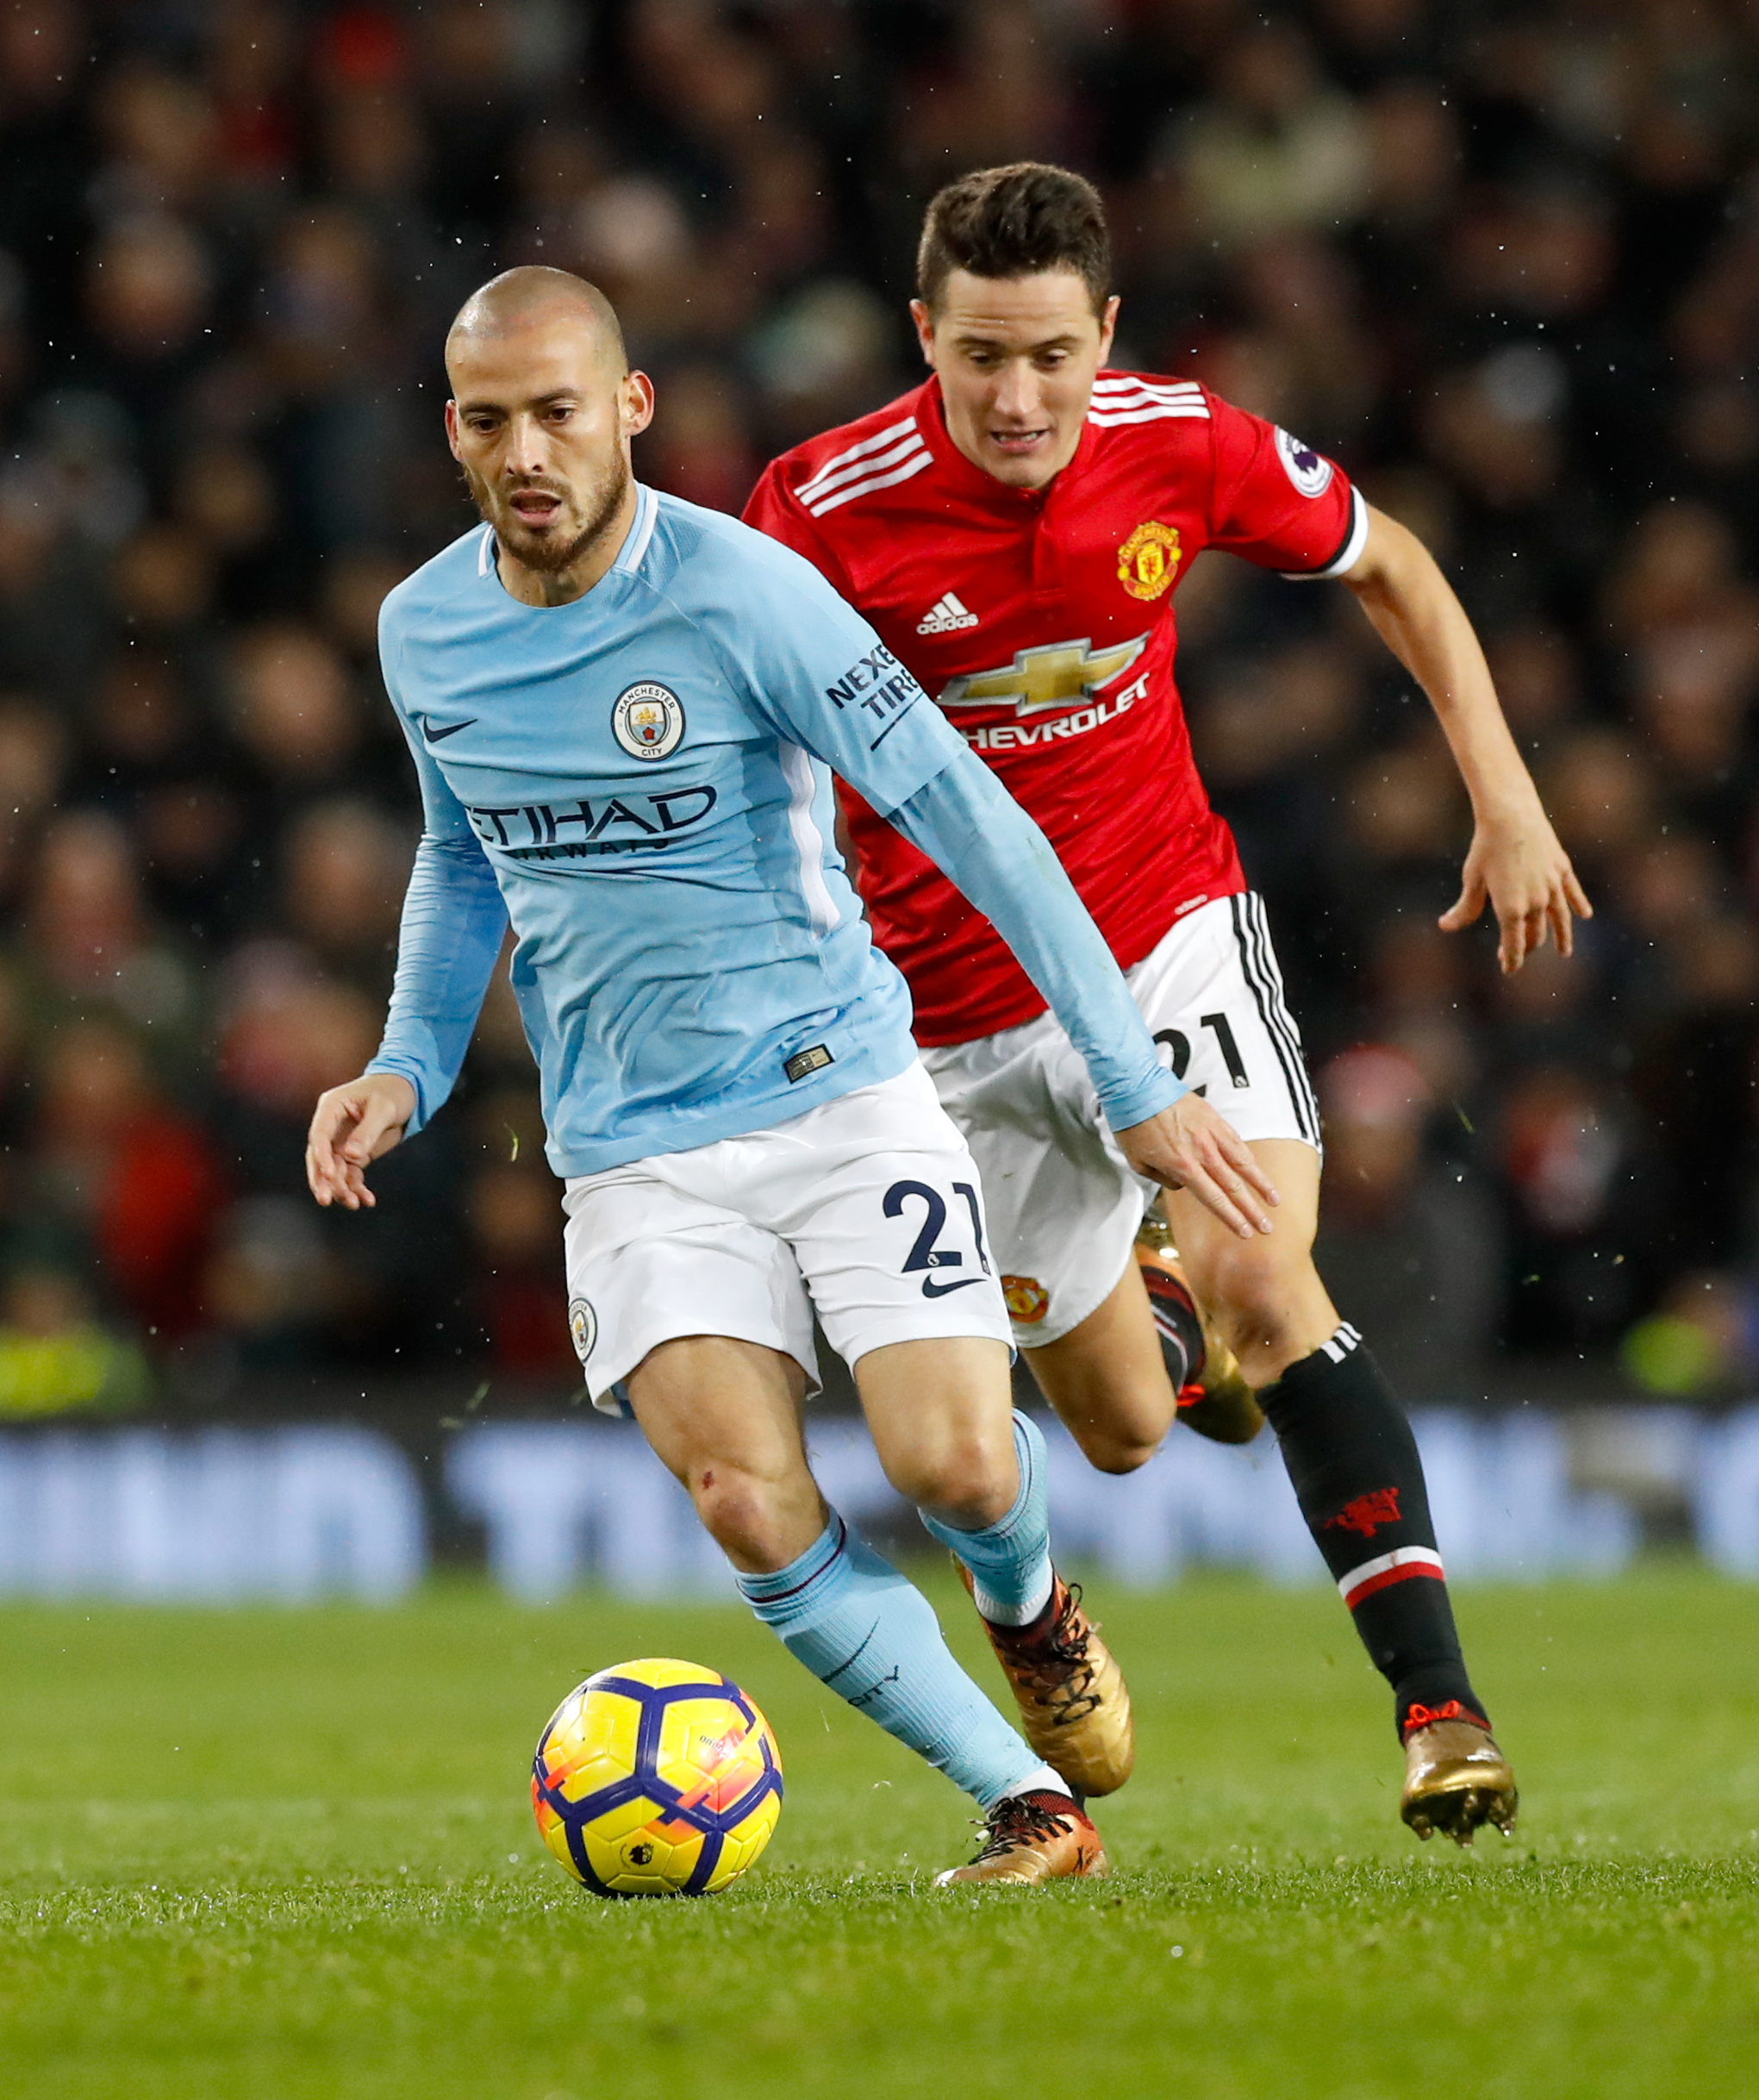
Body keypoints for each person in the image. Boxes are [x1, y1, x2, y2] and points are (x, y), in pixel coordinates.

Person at [304, 266, 1280, 1885]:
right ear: (455, 433)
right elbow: (459, 848)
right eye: (491, 421)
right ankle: (1025, 1807)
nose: (528, 451)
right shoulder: (424, 628)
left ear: (631, 408)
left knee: (957, 1465)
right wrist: (404, 1060)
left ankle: (1027, 1602)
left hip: (838, 1094)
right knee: (743, 1499)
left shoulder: (748, 593)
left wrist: (1128, 1077)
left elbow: (966, 813)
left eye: (560, 411)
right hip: (630, 1148)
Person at [745, 163, 1592, 1845]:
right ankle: (1122, 1416)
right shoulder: (820, 508)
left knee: (1272, 1280)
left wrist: (1502, 792)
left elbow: (1393, 563)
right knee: (1129, 1431)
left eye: (1051, 354)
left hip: (1160, 936)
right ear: (922, 336)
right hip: (951, 1019)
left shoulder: (1181, 439)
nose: (1016, 397)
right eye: (979, 355)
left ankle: (1439, 1715)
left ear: (1103, 330)